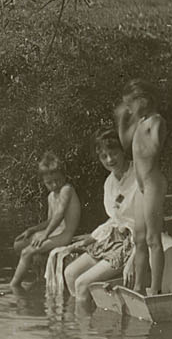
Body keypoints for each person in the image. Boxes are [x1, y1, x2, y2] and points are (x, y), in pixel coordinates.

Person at [52, 129, 137, 309]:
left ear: (123, 151)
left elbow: (143, 224)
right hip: (112, 240)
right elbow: (113, 219)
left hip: (134, 242)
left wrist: (134, 257)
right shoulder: (109, 182)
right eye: (104, 156)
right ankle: (84, 319)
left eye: (113, 153)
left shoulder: (139, 176)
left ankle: (84, 331)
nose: (109, 160)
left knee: (82, 283)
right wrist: (89, 239)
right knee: (70, 272)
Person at [117, 81, 170, 297]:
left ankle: (155, 289)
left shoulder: (156, 121)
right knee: (138, 238)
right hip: (140, 187)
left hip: (153, 184)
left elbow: (155, 147)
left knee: (152, 239)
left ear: (143, 100)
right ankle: (139, 286)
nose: (129, 110)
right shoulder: (140, 122)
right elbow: (124, 143)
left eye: (131, 105)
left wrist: (142, 131)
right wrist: (123, 122)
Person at [9, 151, 83, 289]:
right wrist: (33, 229)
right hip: (55, 233)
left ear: (63, 176)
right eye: (49, 182)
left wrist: (45, 235)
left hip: (65, 235)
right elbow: (50, 220)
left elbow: (59, 214)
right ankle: (39, 278)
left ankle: (14, 286)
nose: (54, 185)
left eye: (57, 180)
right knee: (18, 244)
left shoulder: (66, 190)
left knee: (27, 252)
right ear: (43, 181)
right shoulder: (51, 196)